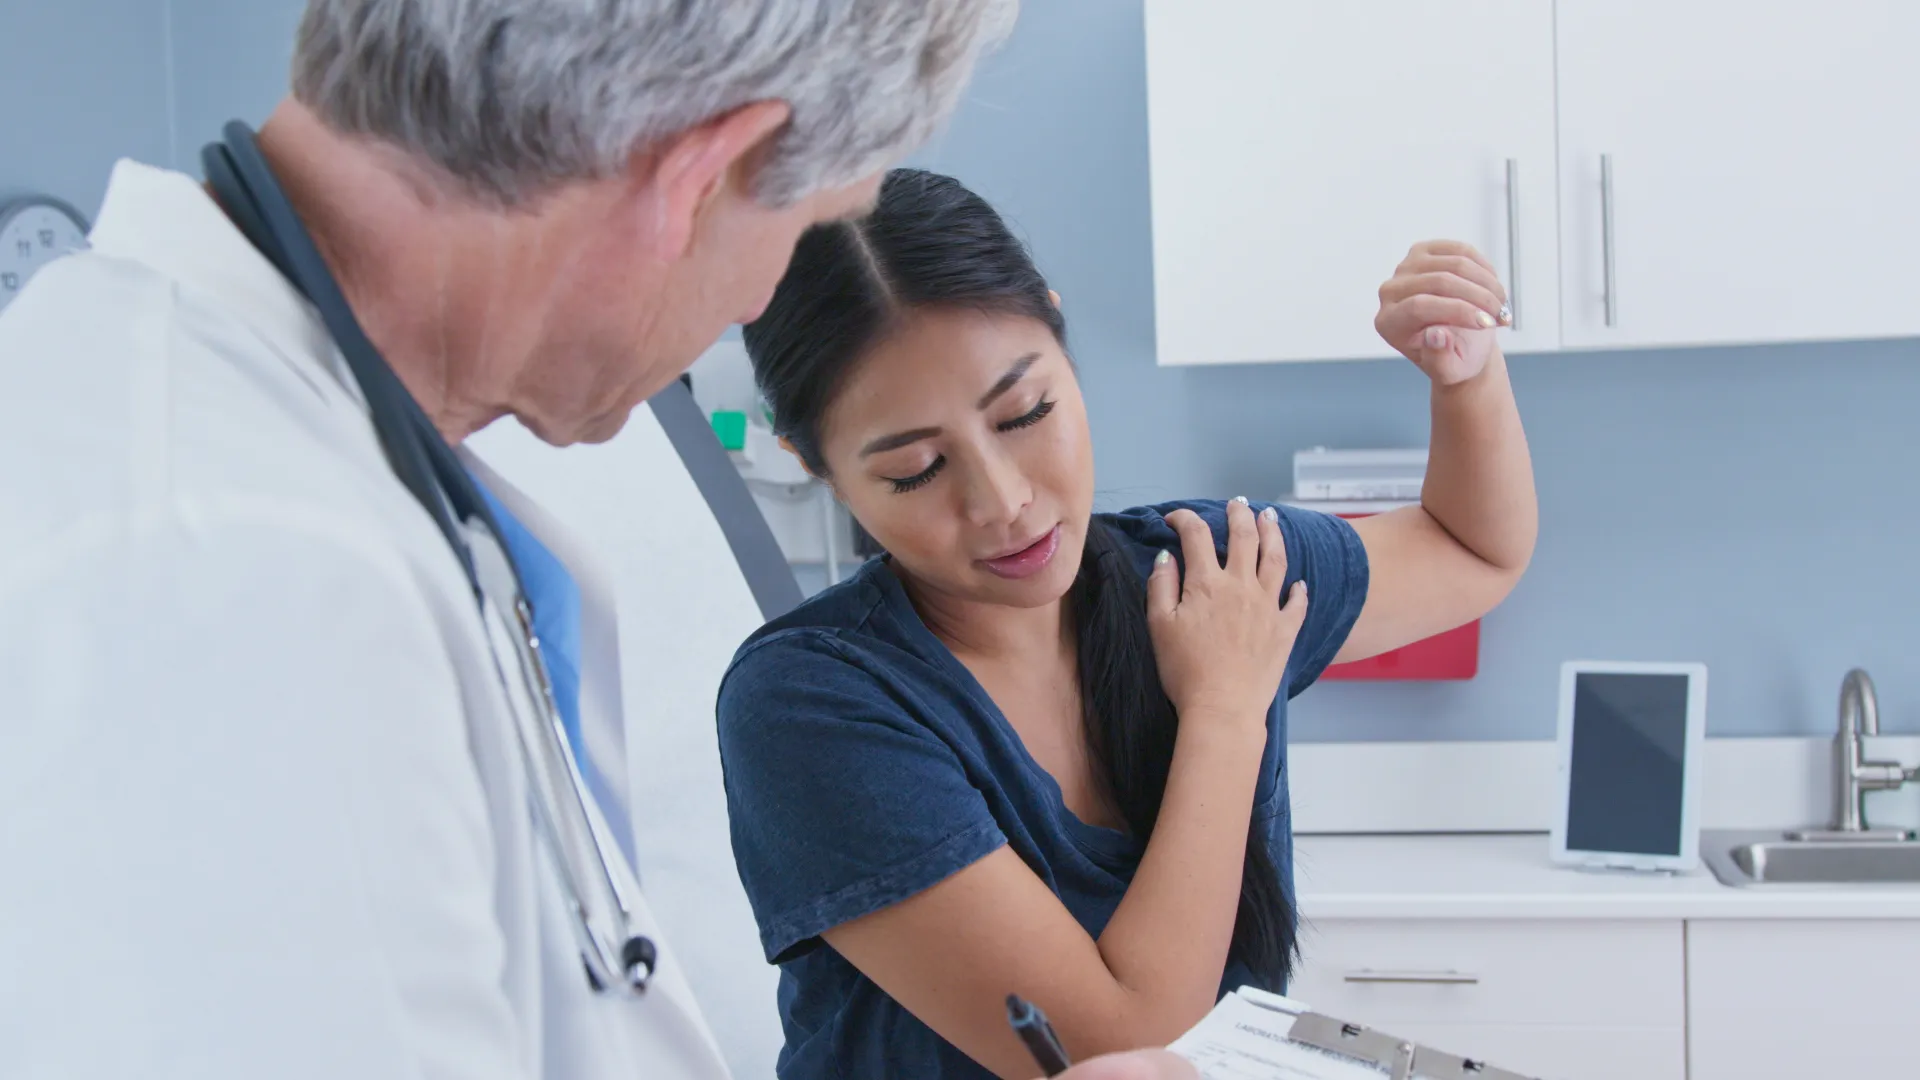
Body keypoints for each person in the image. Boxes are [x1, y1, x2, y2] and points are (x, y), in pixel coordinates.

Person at [0, 3, 1192, 1078]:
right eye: (804, 231)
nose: (752, 306)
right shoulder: (225, 568)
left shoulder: (297, 457)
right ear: (701, 176)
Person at [717, 169, 1539, 1079]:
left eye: (1026, 413)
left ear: (1063, 346)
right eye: (915, 470)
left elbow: (1473, 551)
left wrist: (1464, 374)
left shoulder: (1206, 575)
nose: (1004, 501)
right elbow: (1119, 1046)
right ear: (817, 467)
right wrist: (1226, 709)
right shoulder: (809, 704)